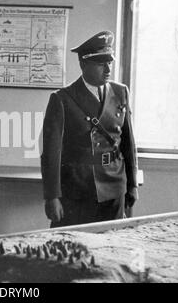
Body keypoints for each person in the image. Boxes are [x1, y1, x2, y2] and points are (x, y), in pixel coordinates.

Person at [41, 31, 138, 228]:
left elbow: (129, 144)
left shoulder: (121, 92)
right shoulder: (62, 99)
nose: (108, 68)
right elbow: (51, 153)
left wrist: (132, 185)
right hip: (78, 190)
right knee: (73, 250)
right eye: (101, 63)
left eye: (109, 61)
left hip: (114, 186)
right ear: (83, 64)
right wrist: (52, 197)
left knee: (112, 249)